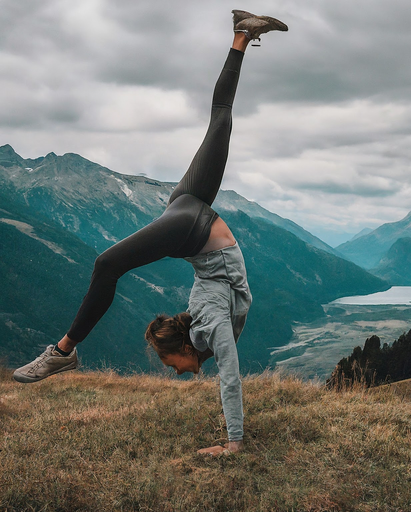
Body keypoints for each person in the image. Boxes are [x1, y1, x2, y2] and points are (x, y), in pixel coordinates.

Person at [13, 10, 288, 456]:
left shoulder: (205, 327)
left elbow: (224, 353)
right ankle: (242, 34)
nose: (173, 371)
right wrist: (235, 441)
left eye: (167, 363)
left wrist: (234, 441)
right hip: (190, 218)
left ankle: (64, 350)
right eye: (169, 363)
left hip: (190, 225)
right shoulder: (209, 330)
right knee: (220, 120)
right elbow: (231, 374)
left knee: (108, 263)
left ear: (183, 345)